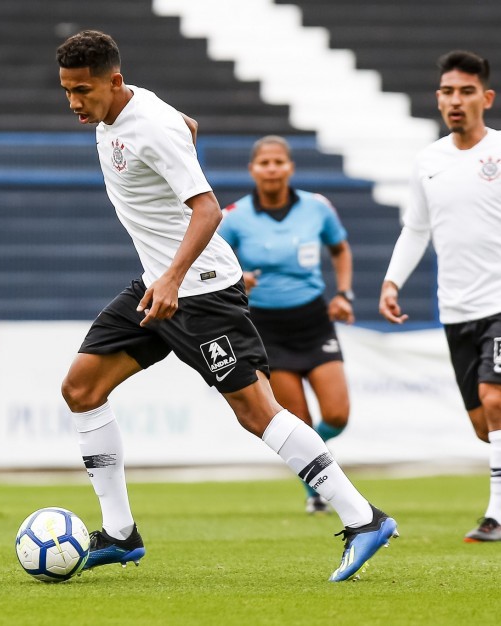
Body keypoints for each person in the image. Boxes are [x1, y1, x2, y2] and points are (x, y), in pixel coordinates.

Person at [56, 30, 397, 582]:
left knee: (256, 413)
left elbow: (209, 210)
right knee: (81, 389)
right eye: (67, 91)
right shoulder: (122, 112)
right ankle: (120, 534)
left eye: (83, 91)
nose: (74, 102)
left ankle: (364, 519)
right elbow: (186, 126)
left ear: (113, 82)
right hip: (156, 284)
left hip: (202, 290)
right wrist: (162, 276)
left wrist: (172, 276)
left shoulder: (151, 126)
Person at [380, 50, 501, 543]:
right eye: (448, 91)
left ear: (485, 98)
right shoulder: (428, 160)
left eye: (466, 91)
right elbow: (416, 229)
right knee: (483, 426)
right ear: (438, 99)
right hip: (456, 310)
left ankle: (495, 515)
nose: (456, 100)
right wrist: (391, 282)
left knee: (495, 403)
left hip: (500, 306)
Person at [219, 136, 355, 515]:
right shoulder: (235, 216)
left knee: (337, 415)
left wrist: (344, 294)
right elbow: (211, 260)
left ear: (290, 167)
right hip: (267, 330)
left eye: (279, 162)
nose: (272, 168)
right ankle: (315, 486)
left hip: (314, 322)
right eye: (265, 163)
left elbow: (340, 248)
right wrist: (236, 278)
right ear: (253, 170)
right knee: (300, 422)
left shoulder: (317, 208)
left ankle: (312, 464)